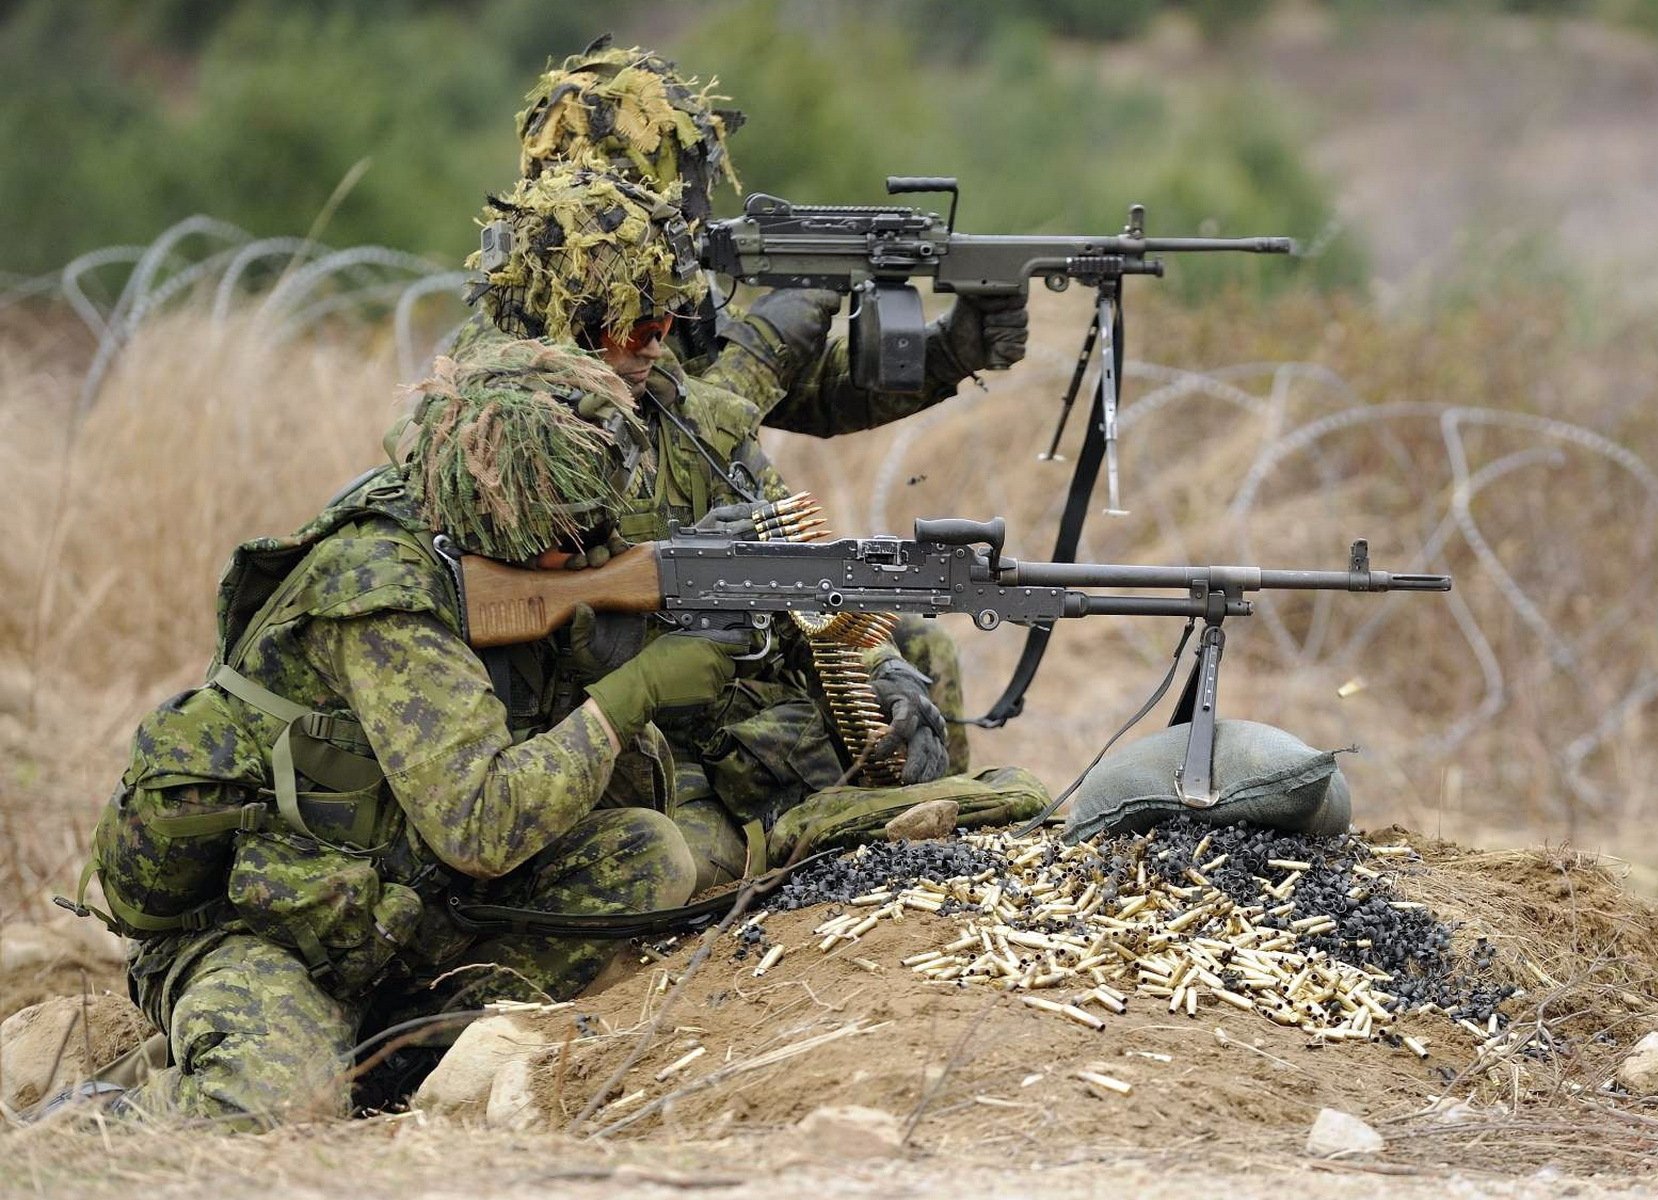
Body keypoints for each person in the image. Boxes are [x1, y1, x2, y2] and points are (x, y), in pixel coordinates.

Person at [79, 337, 739, 1126]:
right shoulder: (382, 594)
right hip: (270, 922)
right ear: (516, 509)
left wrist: (588, 661)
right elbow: (481, 825)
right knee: (260, 1117)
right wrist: (633, 693)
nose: (587, 545)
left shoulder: (477, 532)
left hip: (404, 906)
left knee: (641, 859)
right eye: (572, 528)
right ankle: (107, 1112)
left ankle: (394, 1057)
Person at [459, 166, 983, 889]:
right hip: (612, 758)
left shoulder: (693, 423)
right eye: (631, 327)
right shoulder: (497, 457)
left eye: (664, 323)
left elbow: (802, 576)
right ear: (560, 328)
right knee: (701, 869)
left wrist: (878, 672)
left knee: (954, 766)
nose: (653, 345)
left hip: (733, 729)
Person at [505, 35, 1032, 436]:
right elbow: (666, 449)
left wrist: (947, 351)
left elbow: (807, 400)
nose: (687, 211)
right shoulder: (520, 338)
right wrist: (763, 347)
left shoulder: (667, 306)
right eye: (660, 190)